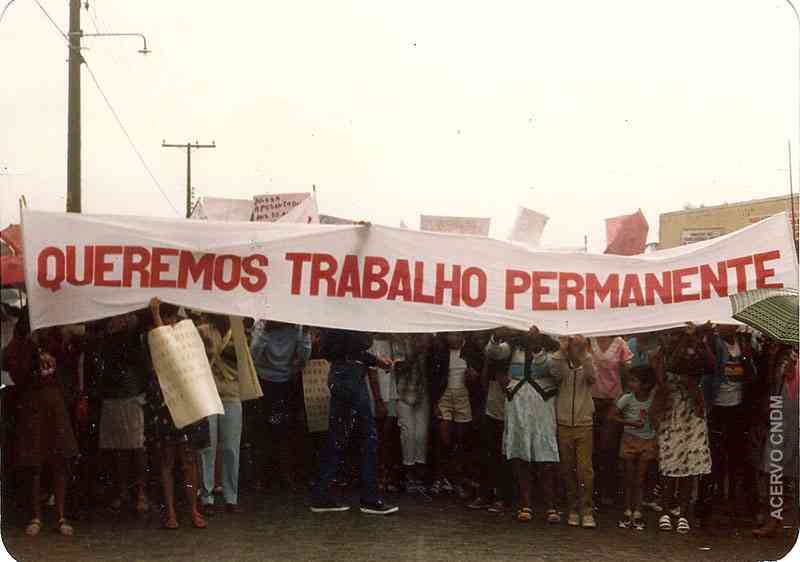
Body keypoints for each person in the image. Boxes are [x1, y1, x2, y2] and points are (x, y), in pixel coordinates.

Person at [2, 312, 79, 537]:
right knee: (33, 462)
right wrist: (27, 345)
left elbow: (69, 361)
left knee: (60, 460)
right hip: (33, 404)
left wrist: (55, 340)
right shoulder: (20, 344)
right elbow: (11, 366)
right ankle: (36, 516)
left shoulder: (55, 339)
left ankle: (60, 515)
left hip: (55, 403)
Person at [310, 329, 398, 515]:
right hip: (352, 376)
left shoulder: (333, 325)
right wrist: (375, 359)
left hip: (338, 373)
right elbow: (360, 345)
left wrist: (375, 361)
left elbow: (342, 350)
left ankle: (322, 494)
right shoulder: (354, 323)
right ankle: (370, 498)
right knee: (368, 438)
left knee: (336, 437)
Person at [145, 298, 209, 530]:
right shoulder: (152, 337)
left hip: (186, 402)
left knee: (188, 460)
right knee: (168, 460)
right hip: (165, 404)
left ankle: (192, 509)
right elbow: (165, 349)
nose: (170, 322)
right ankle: (172, 511)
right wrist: (156, 317)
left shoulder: (187, 334)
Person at [489, 325, 561, 524]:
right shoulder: (513, 345)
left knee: (546, 453)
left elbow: (553, 369)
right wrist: (496, 337)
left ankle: (550, 506)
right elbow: (494, 352)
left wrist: (537, 347)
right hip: (518, 403)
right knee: (521, 453)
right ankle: (526, 504)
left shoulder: (553, 346)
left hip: (542, 403)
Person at [652, 323, 713, 534]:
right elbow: (667, 375)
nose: (669, 338)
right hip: (670, 414)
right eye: (666, 334)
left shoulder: (694, 351)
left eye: (674, 335)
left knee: (690, 466)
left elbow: (710, 366)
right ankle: (665, 511)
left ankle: (683, 514)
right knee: (669, 465)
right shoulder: (659, 357)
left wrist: (696, 339)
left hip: (692, 414)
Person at [697, 325, 759, 524]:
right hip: (717, 408)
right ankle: (706, 506)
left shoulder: (744, 343)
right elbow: (709, 368)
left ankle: (739, 503)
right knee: (714, 459)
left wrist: (747, 358)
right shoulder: (713, 343)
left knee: (739, 458)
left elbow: (751, 375)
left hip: (738, 408)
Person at [94, 313, 151, 515]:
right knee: (119, 446)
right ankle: (124, 490)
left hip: (132, 390)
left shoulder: (136, 323)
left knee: (137, 445)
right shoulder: (106, 323)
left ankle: (141, 492)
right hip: (113, 390)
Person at [249, 320, 311, 491]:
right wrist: (265, 331)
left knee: (283, 432)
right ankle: (262, 476)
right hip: (264, 382)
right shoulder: (262, 325)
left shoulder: (297, 327)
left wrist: (305, 334)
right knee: (263, 431)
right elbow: (253, 355)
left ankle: (283, 476)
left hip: (283, 383)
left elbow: (304, 356)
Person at [197, 314, 244, 514]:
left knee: (231, 448)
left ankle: (230, 496)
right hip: (207, 393)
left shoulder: (240, 332)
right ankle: (206, 496)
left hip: (232, 394)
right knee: (207, 447)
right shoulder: (202, 331)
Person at [753, 344, 798, 538]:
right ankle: (774, 519)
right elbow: (773, 387)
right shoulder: (787, 356)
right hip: (782, 421)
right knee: (775, 469)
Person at [551, 334, 597, 528]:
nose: (576, 346)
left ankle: (587, 509)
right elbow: (556, 373)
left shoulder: (588, 360)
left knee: (585, 469)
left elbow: (592, 377)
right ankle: (572, 507)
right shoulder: (561, 361)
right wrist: (562, 351)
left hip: (583, 422)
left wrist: (584, 353)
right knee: (567, 467)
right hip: (564, 422)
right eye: (573, 343)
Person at [468, 329, 515, 514]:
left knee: (506, 453)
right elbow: (492, 356)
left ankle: (504, 496)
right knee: (489, 449)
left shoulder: (515, 344)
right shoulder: (496, 345)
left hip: (514, 400)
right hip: (494, 400)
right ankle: (486, 493)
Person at [429, 333, 481, 498]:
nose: (452, 338)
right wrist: (435, 403)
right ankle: (440, 478)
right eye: (450, 335)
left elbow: (478, 379)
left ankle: (457, 480)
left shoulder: (471, 351)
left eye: (456, 335)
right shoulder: (441, 352)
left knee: (460, 441)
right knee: (444, 440)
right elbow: (434, 379)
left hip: (463, 397)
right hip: (444, 397)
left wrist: (473, 377)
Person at [609, 366, 660, 531]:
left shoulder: (652, 400)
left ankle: (637, 511)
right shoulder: (627, 398)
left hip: (647, 441)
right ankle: (627, 510)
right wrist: (629, 423)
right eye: (630, 380)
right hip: (629, 440)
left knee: (640, 479)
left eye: (634, 380)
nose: (630, 383)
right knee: (628, 478)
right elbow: (612, 416)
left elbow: (657, 418)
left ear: (646, 384)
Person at [589, 335, 633, 508]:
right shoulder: (589, 340)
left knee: (609, 447)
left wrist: (623, 399)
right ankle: (594, 491)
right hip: (591, 400)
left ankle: (609, 491)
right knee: (592, 448)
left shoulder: (620, 343)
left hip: (612, 401)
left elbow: (628, 374)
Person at [394, 333, 434, 495]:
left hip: (423, 395)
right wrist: (415, 352)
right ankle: (409, 477)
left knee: (421, 435)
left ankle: (419, 478)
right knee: (408, 434)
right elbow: (398, 369)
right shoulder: (400, 341)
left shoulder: (430, 340)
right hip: (404, 392)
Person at [367, 333, 403, 492]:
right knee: (378, 434)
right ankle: (376, 475)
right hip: (378, 394)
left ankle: (386, 474)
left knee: (388, 435)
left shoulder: (395, 342)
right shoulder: (372, 343)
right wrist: (378, 400)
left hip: (392, 391)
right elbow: (372, 372)